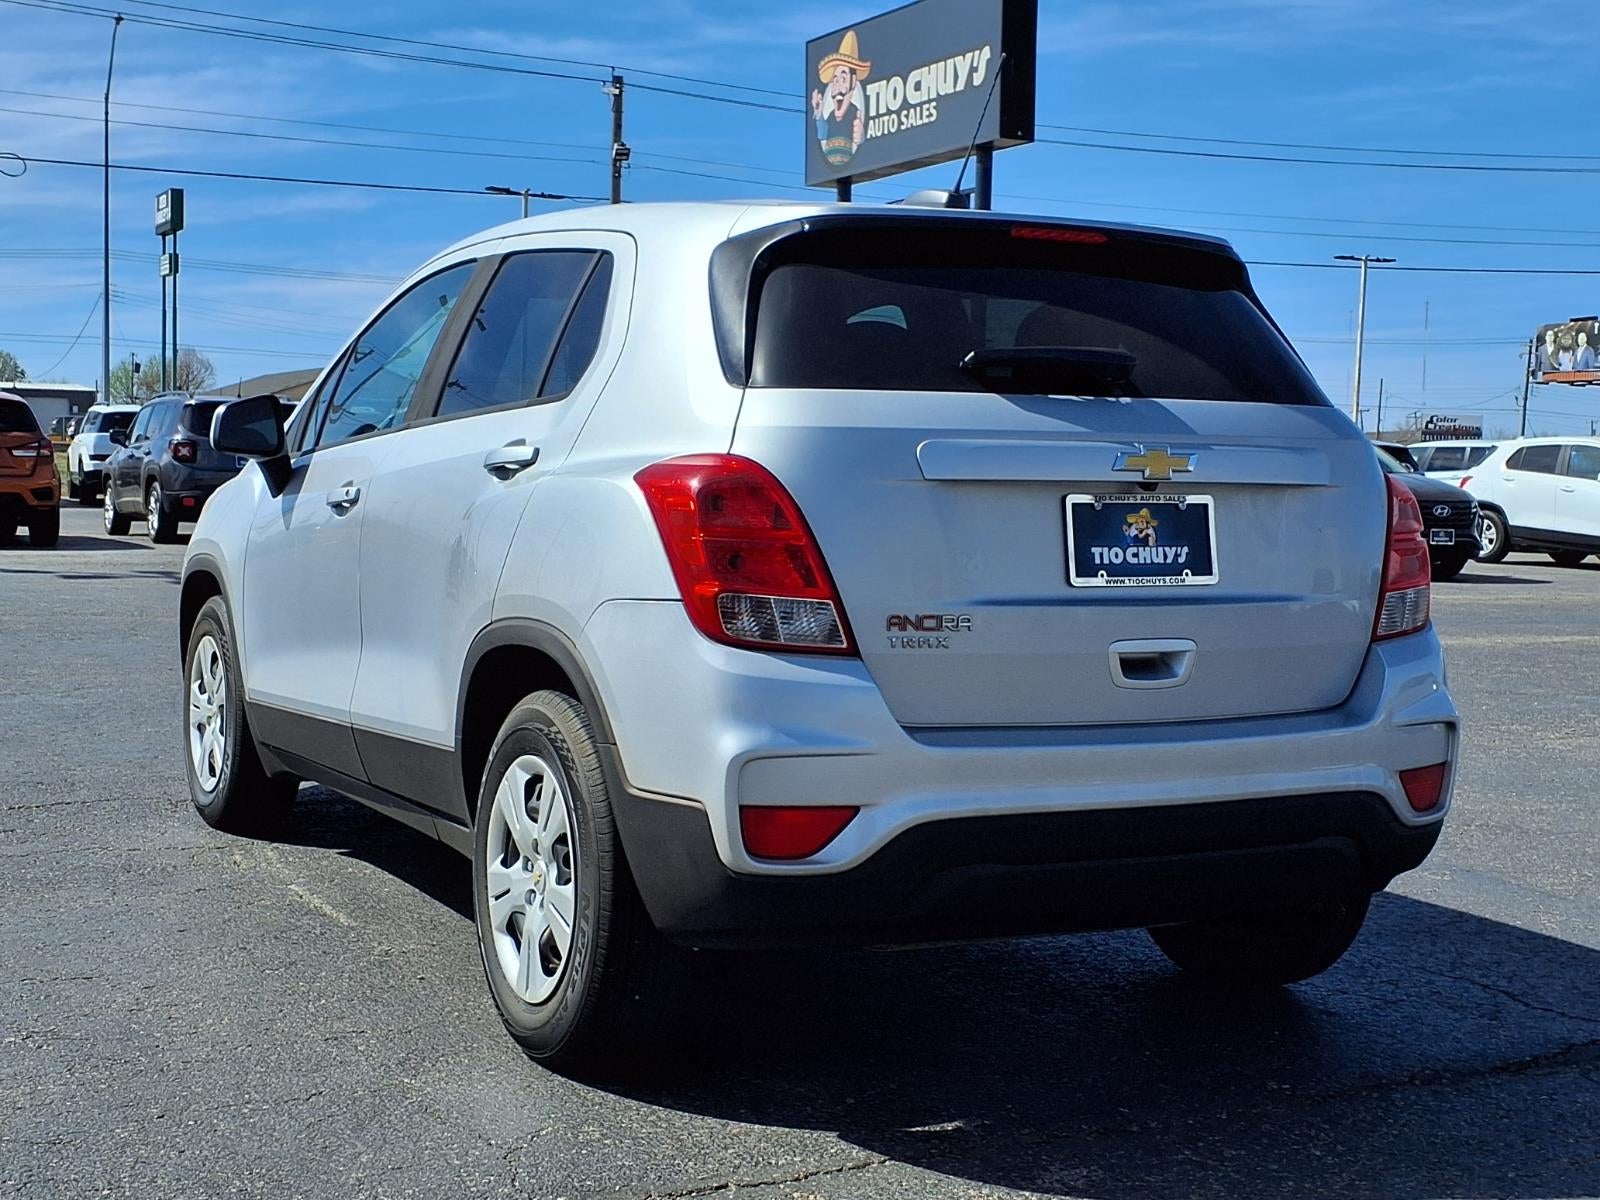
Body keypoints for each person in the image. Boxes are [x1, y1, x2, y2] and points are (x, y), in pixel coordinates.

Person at [811, 31, 869, 169]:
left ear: (853, 81)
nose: (837, 87)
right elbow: (822, 136)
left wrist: (862, 140)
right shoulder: (831, 115)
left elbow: (861, 147)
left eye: (843, 79)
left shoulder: (855, 114)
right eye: (834, 80)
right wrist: (818, 113)